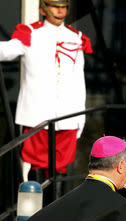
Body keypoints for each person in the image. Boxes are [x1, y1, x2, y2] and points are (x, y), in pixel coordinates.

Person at [0, 0, 92, 180]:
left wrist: (80, 117)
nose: (60, 11)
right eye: (55, 6)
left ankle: (57, 207)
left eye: (64, 7)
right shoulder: (31, 34)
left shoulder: (75, 37)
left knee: (60, 169)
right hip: (37, 114)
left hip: (67, 115)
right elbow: (6, 51)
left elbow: (78, 81)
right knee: (37, 166)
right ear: (43, 9)